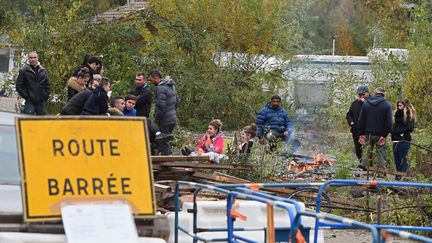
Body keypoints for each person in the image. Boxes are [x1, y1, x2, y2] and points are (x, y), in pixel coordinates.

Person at [358, 87, 392, 170]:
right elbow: (389, 122)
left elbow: (361, 120)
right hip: (380, 134)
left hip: (367, 133)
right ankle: (381, 172)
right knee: (380, 151)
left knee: (366, 151)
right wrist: (384, 135)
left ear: (375, 93)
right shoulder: (387, 105)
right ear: (383, 94)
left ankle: (363, 171)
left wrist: (361, 134)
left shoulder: (366, 103)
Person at [148, 70, 180, 155]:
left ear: (156, 78)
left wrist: (157, 118)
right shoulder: (171, 86)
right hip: (172, 118)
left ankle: (166, 161)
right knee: (165, 140)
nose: (152, 83)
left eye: (151, 80)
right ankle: (168, 156)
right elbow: (177, 101)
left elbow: (161, 106)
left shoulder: (160, 88)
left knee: (162, 141)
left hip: (165, 120)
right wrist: (172, 111)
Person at [16, 51, 50, 115]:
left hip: (41, 101)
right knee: (28, 121)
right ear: (28, 58)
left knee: (42, 121)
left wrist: (45, 96)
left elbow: (47, 84)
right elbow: (19, 86)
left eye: (35, 57)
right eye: (31, 57)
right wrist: (27, 97)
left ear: (38, 58)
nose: (33, 59)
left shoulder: (43, 70)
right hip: (30, 101)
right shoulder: (24, 70)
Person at [391, 99, 416, 180]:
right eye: (398, 105)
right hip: (395, 140)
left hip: (404, 141)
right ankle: (397, 178)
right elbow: (395, 126)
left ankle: (405, 179)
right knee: (397, 161)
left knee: (404, 161)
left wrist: (398, 131)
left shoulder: (408, 115)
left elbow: (410, 128)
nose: (398, 107)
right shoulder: (396, 115)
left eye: (400, 105)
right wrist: (392, 131)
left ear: (405, 106)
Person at [346, 85, 369, 161]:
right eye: (359, 94)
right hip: (356, 131)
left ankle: (367, 168)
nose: (361, 96)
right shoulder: (355, 103)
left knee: (367, 151)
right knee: (358, 151)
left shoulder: (371, 103)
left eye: (363, 94)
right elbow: (349, 114)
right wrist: (351, 122)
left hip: (367, 132)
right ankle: (362, 165)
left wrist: (366, 103)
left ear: (367, 93)